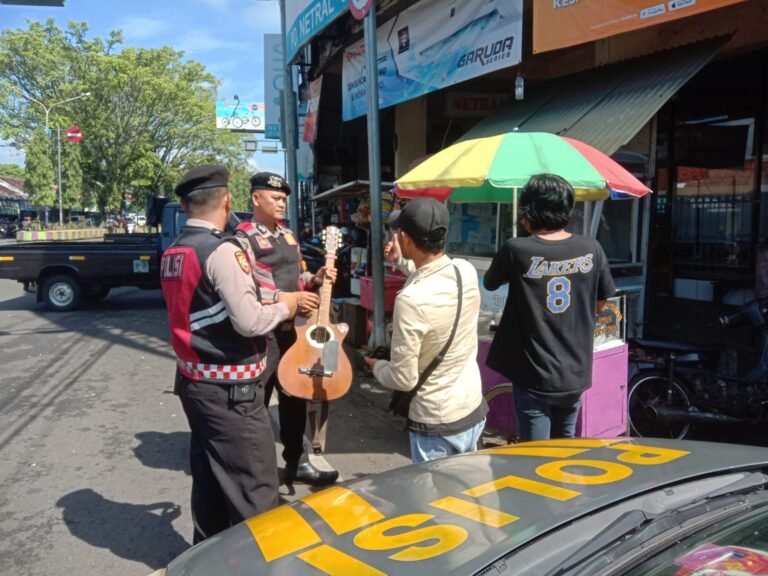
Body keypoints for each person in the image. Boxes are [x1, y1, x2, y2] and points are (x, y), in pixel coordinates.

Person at [160, 164, 300, 544]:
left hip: (195, 383)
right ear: (226, 199)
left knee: (210, 482)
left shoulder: (175, 250)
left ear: (185, 204)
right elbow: (250, 322)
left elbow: (212, 305)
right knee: (254, 489)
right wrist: (285, 307)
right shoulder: (223, 250)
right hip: (231, 393)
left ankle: (207, 561)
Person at [484, 173, 616, 441]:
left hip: (534, 372)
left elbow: (490, 282)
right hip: (575, 371)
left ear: (529, 210)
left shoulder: (516, 249)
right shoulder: (592, 247)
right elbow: (602, 301)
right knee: (563, 447)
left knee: (534, 454)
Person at [235, 171, 339, 486]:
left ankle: (297, 461)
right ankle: (250, 471)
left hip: (293, 331)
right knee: (256, 403)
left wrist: (315, 279)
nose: (282, 204)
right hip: (262, 334)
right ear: (256, 199)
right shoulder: (242, 239)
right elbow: (248, 287)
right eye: (276, 198)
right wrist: (291, 299)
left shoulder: (287, 236)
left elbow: (298, 278)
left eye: (284, 199)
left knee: (295, 396)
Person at [364, 197, 486, 463]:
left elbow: (403, 379)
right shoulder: (464, 270)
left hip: (436, 422)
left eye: (398, 233)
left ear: (406, 238)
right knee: (467, 495)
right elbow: (431, 274)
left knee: (435, 502)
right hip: (471, 407)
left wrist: (376, 365)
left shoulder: (410, 300)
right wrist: (402, 260)